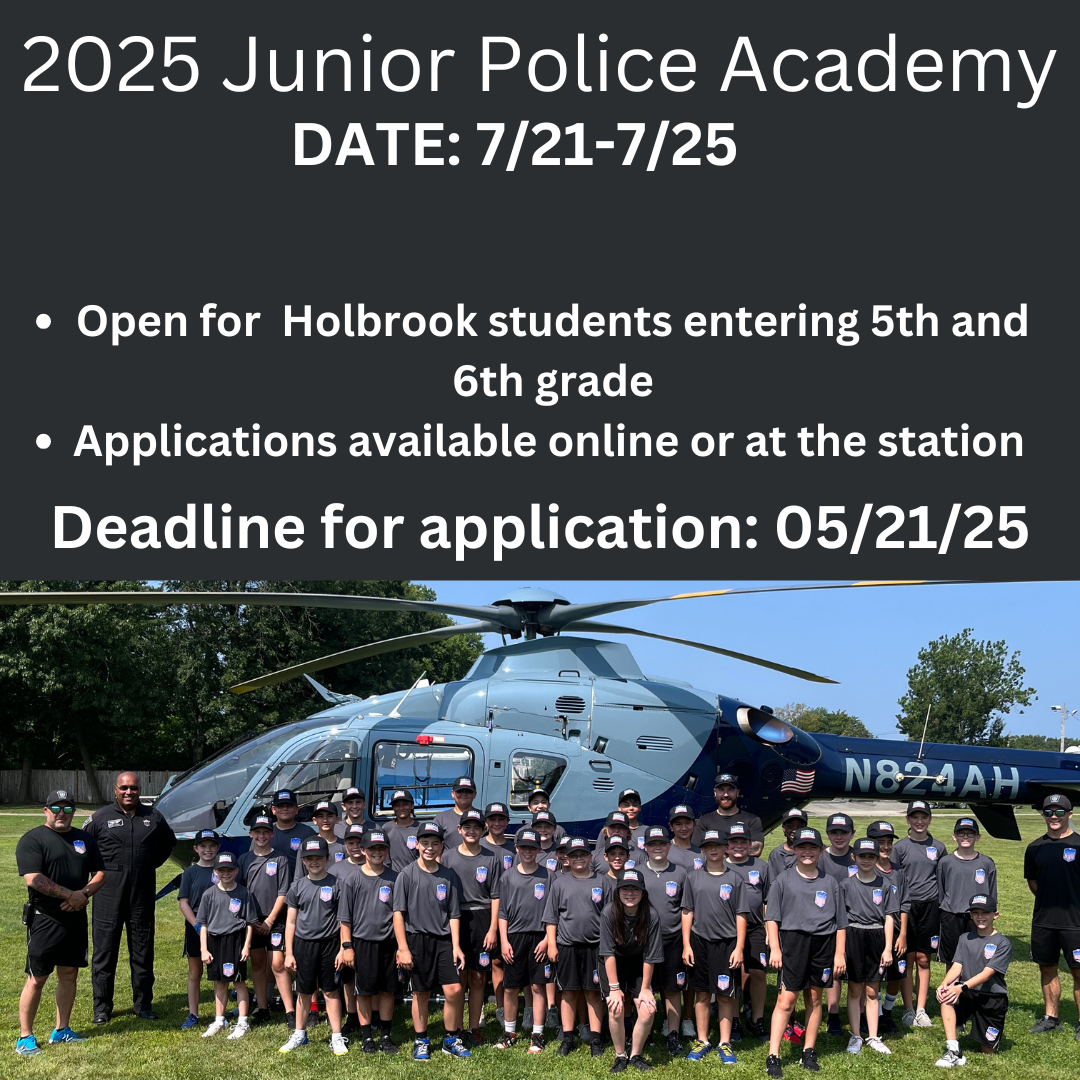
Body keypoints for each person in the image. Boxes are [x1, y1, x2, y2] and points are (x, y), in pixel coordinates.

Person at [15, 790, 105, 1056]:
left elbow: (100, 873)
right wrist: (71, 895)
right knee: (37, 978)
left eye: (67, 809)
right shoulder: (33, 839)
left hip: (76, 918)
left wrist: (84, 894)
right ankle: (25, 1036)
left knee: (69, 974)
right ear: (46, 810)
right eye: (56, 808)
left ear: (73, 812)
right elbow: (33, 878)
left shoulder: (84, 838)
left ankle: (62, 1030)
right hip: (45, 919)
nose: (61, 814)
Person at [83, 771, 176, 1024]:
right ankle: (102, 1008)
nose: (128, 792)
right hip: (107, 896)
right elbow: (82, 848)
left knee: (143, 952)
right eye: (123, 788)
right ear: (115, 790)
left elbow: (167, 845)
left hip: (141, 896)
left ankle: (143, 1004)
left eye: (133, 788)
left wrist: (147, 864)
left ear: (139, 790)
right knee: (104, 953)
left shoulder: (154, 817)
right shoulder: (99, 818)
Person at [765, 827, 848, 1078]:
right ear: (795, 850)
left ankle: (808, 1051)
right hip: (793, 943)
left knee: (814, 998)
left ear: (821, 851)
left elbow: (840, 922)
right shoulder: (783, 879)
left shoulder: (830, 882)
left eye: (813, 848)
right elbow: (772, 918)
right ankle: (774, 1054)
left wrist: (839, 954)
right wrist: (776, 948)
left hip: (823, 944)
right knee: (786, 1000)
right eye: (802, 847)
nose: (807, 852)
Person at [393, 821, 471, 1059]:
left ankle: (450, 1039)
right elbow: (398, 914)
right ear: (416, 845)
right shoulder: (406, 875)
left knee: (455, 990)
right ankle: (421, 1040)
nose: (430, 847)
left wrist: (457, 946)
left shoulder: (449, 876)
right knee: (421, 993)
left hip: (445, 941)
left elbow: (454, 914)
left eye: (435, 843)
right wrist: (403, 948)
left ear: (442, 846)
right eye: (425, 843)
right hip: (417, 940)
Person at [682, 828, 748, 1064]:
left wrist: (739, 947)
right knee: (701, 994)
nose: (713, 850)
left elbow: (741, 915)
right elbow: (687, 911)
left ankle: (725, 1042)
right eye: (709, 846)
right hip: (699, 942)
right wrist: (686, 945)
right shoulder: (693, 877)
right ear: (703, 849)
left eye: (718, 846)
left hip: (726, 943)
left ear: (726, 849)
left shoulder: (735, 879)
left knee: (724, 995)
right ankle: (702, 1039)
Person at [543, 836, 614, 1056]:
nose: (579, 859)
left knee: (593, 993)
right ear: (567, 859)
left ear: (591, 856)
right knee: (569, 992)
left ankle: (595, 1039)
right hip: (567, 945)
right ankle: (567, 1037)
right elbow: (551, 917)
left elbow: (611, 917)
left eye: (583, 854)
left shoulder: (603, 882)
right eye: (574, 856)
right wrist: (552, 945)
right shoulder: (559, 883)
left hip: (595, 947)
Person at [280, 836, 349, 1055]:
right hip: (304, 945)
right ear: (303, 860)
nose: (314, 862)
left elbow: (343, 920)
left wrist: (341, 949)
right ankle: (300, 1034)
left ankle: (337, 1036)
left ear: (327, 858)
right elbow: (290, 922)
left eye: (318, 857)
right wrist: (289, 952)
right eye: (309, 858)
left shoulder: (338, 885)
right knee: (304, 991)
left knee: (330, 991)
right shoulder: (297, 887)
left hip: (330, 944)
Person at [440, 808, 503, 1042]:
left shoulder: (491, 858)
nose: (472, 831)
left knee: (478, 977)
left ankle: (473, 1028)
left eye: (477, 827)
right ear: (459, 829)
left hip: (483, 917)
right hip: (456, 919)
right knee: (459, 976)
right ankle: (455, 1027)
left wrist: (493, 928)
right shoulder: (447, 857)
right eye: (467, 827)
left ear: (483, 829)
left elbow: (496, 896)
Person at [338, 828, 400, 1054]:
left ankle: (385, 1035)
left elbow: (399, 913)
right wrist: (347, 947)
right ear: (362, 850)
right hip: (362, 943)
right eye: (372, 849)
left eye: (381, 849)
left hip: (388, 943)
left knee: (386, 991)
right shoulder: (352, 879)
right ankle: (367, 1037)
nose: (377, 853)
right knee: (363, 992)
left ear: (387, 851)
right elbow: (345, 918)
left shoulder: (395, 877)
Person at [1023, 793, 1080, 1038]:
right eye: (1048, 812)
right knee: (1047, 969)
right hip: (1044, 921)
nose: (1053, 816)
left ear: (1070, 814)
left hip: (1075, 922)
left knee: (1078, 972)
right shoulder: (1035, 847)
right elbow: (1033, 883)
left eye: (1059, 812)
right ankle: (1051, 1017)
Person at [934, 894, 1012, 1066]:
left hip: (992, 999)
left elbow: (988, 973)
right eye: (975, 912)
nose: (980, 916)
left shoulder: (1003, 943)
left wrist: (960, 987)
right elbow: (957, 965)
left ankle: (986, 1034)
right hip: (968, 992)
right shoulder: (965, 938)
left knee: (987, 1050)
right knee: (946, 996)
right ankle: (953, 1050)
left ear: (995, 915)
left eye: (985, 912)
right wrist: (944, 984)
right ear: (970, 915)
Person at [601, 868, 663, 1072]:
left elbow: (651, 955)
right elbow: (608, 953)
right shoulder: (609, 912)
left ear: (643, 892)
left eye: (635, 889)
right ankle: (620, 1055)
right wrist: (614, 988)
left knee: (648, 1011)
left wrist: (645, 988)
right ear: (617, 892)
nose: (630, 893)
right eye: (625, 889)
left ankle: (635, 1055)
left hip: (639, 964)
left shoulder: (651, 915)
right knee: (616, 1007)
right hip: (613, 964)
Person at [839, 838, 897, 1055]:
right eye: (862, 856)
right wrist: (841, 950)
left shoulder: (885, 885)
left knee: (873, 990)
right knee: (855, 989)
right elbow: (841, 920)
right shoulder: (845, 885)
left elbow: (890, 917)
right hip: (853, 934)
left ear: (877, 858)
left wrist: (888, 948)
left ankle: (872, 1036)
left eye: (871, 856)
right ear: (854, 857)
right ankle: (855, 1036)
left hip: (877, 936)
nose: (866, 860)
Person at [495, 828, 551, 1052]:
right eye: (523, 847)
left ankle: (537, 1034)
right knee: (511, 987)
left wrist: (548, 939)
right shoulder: (508, 876)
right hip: (514, 937)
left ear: (539, 849)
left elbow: (553, 911)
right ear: (516, 848)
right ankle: (509, 1032)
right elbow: (502, 913)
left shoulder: (549, 875)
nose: (528, 851)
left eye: (532, 847)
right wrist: (504, 941)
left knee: (538, 986)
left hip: (539, 936)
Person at [238, 813, 294, 1029]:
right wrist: (252, 921)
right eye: (257, 832)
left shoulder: (279, 858)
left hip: (275, 920)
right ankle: (263, 1008)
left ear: (271, 833)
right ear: (251, 834)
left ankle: (290, 1011)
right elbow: (240, 892)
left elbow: (283, 892)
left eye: (265, 832)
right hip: (252, 921)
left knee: (278, 964)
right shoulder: (244, 860)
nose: (261, 836)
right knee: (258, 964)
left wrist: (270, 920)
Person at [638, 825, 689, 1056]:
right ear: (645, 847)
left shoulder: (680, 873)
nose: (657, 848)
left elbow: (685, 908)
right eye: (652, 844)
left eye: (662, 844)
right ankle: (645, 1033)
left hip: (672, 938)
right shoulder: (637, 873)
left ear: (669, 846)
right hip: (644, 940)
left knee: (672, 990)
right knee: (644, 987)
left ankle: (673, 1034)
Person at [196, 850, 257, 1039]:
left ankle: (243, 1022)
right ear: (215, 872)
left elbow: (249, 923)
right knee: (220, 982)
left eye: (229, 870)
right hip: (215, 941)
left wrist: (246, 945)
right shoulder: (209, 895)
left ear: (236, 871)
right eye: (221, 870)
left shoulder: (243, 893)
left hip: (235, 940)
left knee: (238, 982)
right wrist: (204, 949)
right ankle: (219, 1019)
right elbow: (203, 924)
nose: (226, 874)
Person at [893, 799, 941, 1028]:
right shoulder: (899, 848)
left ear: (930, 819)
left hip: (930, 907)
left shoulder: (939, 847)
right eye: (915, 817)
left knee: (923, 958)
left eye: (924, 817)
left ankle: (921, 1010)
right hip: (907, 908)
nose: (919, 821)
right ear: (908, 820)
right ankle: (908, 1009)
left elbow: (941, 879)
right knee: (907, 959)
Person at [725, 820, 770, 1039]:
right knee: (732, 973)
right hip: (728, 930)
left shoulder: (761, 866)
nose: (738, 846)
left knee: (759, 973)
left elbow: (770, 900)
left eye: (743, 841)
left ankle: (757, 1019)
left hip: (755, 928)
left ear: (750, 844)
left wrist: (770, 930)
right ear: (727, 845)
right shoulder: (719, 865)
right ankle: (734, 1021)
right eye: (734, 842)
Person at [937, 817, 998, 966]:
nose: (965, 837)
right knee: (952, 960)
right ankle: (952, 987)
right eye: (961, 833)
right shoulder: (945, 862)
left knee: (977, 958)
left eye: (970, 833)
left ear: (977, 837)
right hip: (952, 915)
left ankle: (972, 989)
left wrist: (989, 913)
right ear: (954, 836)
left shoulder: (986, 863)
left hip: (978, 916)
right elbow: (941, 889)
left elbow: (992, 892)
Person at [177, 829, 221, 1029]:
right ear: (196, 849)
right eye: (203, 846)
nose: (208, 850)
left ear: (218, 848)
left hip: (221, 926)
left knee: (219, 972)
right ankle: (193, 1014)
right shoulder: (190, 872)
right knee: (195, 972)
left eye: (212, 846)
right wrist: (195, 924)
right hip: (196, 926)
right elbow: (183, 902)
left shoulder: (224, 870)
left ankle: (220, 1015)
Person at [867, 820, 908, 1035]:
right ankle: (875, 1016)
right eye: (879, 842)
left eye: (888, 842)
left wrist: (902, 934)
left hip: (896, 931)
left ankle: (888, 1011)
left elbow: (905, 903)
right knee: (874, 975)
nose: (884, 847)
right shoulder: (865, 870)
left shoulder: (899, 871)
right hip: (873, 931)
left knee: (896, 975)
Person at [819, 813, 856, 1037]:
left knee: (856, 970)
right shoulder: (820, 857)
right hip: (830, 921)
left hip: (857, 919)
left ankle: (858, 1013)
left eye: (844, 832)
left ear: (852, 834)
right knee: (834, 970)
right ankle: (833, 1015)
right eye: (834, 832)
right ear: (828, 834)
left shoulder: (858, 856)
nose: (839, 837)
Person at [693, 774, 764, 856]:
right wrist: (738, 848)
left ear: (737, 793)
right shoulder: (704, 821)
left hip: (743, 868)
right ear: (715, 792)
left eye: (730, 790)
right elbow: (696, 851)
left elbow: (756, 849)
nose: (726, 794)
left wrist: (715, 848)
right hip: (715, 869)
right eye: (721, 790)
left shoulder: (752, 820)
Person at [265, 790, 315, 875]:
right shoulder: (265, 833)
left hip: (299, 883)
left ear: (296, 809)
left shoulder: (308, 832)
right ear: (273, 809)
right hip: (272, 883)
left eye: (289, 805)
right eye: (281, 806)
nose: (285, 809)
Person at [386, 789, 421, 871]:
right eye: (397, 805)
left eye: (405, 804)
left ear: (412, 805)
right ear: (393, 808)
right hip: (394, 877)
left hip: (416, 875)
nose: (401, 808)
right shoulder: (386, 829)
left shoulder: (420, 828)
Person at [768, 809, 808, 878]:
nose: (795, 830)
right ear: (784, 829)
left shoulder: (813, 851)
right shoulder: (777, 854)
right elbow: (774, 881)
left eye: (800, 827)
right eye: (790, 827)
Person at [666, 804, 703, 873]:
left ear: (694, 824)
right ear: (671, 826)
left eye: (687, 823)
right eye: (678, 824)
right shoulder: (665, 851)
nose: (684, 828)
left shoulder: (701, 853)